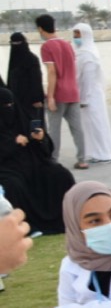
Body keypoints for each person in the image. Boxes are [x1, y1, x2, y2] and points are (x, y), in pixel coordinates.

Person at [0, 88, 74, 234]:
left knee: (60, 174)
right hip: (7, 168)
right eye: (4, 107)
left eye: (11, 105)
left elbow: (46, 151)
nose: (9, 109)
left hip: (34, 163)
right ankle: (26, 226)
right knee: (13, 185)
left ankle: (69, 217)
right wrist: (13, 143)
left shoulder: (22, 119)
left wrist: (41, 139)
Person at [35, 14, 88, 168]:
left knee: (54, 129)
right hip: (73, 91)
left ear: (40, 29)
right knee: (77, 128)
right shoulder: (67, 44)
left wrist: (50, 96)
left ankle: (53, 159)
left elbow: (52, 72)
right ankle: (82, 159)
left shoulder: (46, 47)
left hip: (59, 93)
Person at [71, 23, 111, 164]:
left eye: (78, 34)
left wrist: (84, 99)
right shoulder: (81, 52)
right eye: (74, 34)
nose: (76, 37)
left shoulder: (89, 54)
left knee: (97, 125)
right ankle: (93, 153)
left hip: (91, 96)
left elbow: (88, 80)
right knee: (89, 126)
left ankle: (104, 154)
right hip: (86, 95)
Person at [6, 33, 44, 127]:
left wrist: (37, 99)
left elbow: (36, 79)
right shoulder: (17, 60)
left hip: (30, 101)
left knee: (32, 128)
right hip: (20, 101)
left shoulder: (29, 59)